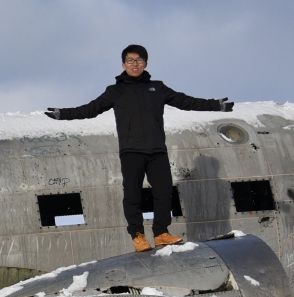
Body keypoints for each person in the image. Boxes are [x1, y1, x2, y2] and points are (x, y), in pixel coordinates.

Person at [47, 45, 232, 253]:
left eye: (139, 60)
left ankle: (162, 233)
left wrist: (215, 105)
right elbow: (90, 110)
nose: (134, 64)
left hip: (157, 151)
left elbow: (185, 101)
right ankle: (138, 236)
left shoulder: (157, 88)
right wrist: (63, 114)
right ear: (123, 64)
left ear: (145, 63)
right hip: (131, 151)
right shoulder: (115, 91)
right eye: (130, 60)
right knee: (133, 195)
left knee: (163, 192)